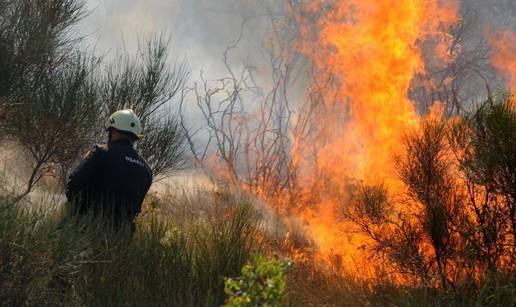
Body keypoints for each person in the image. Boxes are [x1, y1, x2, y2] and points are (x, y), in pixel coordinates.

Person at [66, 109, 153, 230]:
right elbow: (136, 208)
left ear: (113, 130)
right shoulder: (146, 169)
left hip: (86, 230)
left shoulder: (100, 152)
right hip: (121, 239)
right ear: (134, 137)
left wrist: (74, 206)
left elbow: (74, 181)